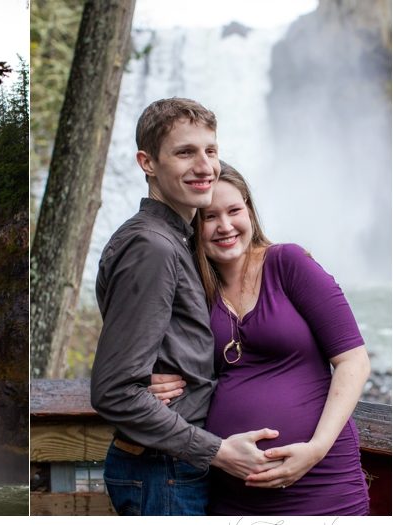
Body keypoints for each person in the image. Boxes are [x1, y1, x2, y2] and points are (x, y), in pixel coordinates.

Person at [90, 98, 281, 516]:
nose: (205, 166)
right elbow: (113, 391)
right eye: (185, 152)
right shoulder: (152, 247)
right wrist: (218, 452)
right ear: (148, 163)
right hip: (164, 470)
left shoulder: (175, 240)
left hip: (172, 467)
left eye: (210, 151)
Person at [152, 161, 371, 515]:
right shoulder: (192, 292)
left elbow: (353, 361)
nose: (225, 226)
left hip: (322, 482)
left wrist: (314, 449)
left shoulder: (289, 263)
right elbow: (167, 363)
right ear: (194, 226)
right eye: (209, 217)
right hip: (232, 494)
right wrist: (154, 383)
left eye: (234, 210)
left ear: (249, 212)